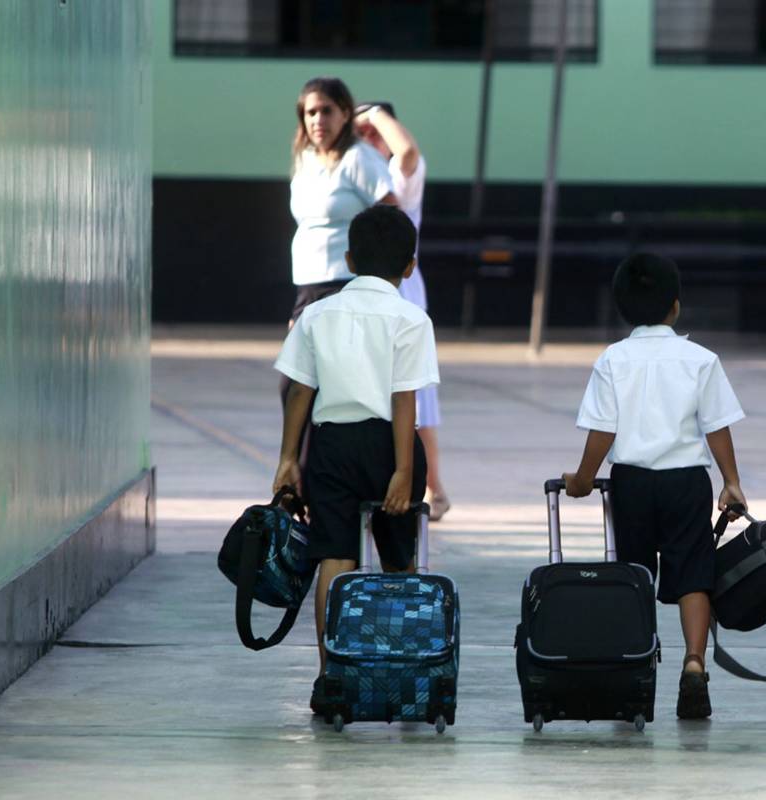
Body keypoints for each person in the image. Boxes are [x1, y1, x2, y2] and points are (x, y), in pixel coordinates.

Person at [561, 253, 749, 720]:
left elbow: (603, 431)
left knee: (634, 575)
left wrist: (582, 480)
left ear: (622, 307)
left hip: (632, 483)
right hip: (687, 482)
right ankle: (694, 664)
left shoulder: (613, 360)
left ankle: (634, 670)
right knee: (694, 575)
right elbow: (717, 426)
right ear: (675, 305)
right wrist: (731, 482)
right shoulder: (701, 359)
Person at [272, 205, 438, 714]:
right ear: (410, 265)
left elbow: (299, 391)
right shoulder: (411, 318)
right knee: (399, 560)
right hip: (390, 445)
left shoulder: (317, 314)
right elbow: (404, 399)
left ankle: (331, 676)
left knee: (335, 557)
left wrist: (287, 460)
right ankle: (406, 669)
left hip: (331, 447)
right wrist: (404, 471)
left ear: (348, 259)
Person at [281, 77, 399, 489]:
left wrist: (379, 280)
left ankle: (318, 481)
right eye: (310, 112)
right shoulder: (305, 160)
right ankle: (297, 476)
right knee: (295, 384)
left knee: (323, 390)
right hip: (308, 289)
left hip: (346, 286)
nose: (318, 120)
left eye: (326, 111)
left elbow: (391, 215)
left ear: (346, 113)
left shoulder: (359, 158)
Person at [355, 101, 451, 521]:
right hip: (361, 298)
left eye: (374, 132)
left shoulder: (399, 177)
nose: (368, 139)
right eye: (361, 133)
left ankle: (433, 487)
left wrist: (373, 113)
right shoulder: (355, 172)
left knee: (417, 399)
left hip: (403, 299)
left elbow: (408, 152)